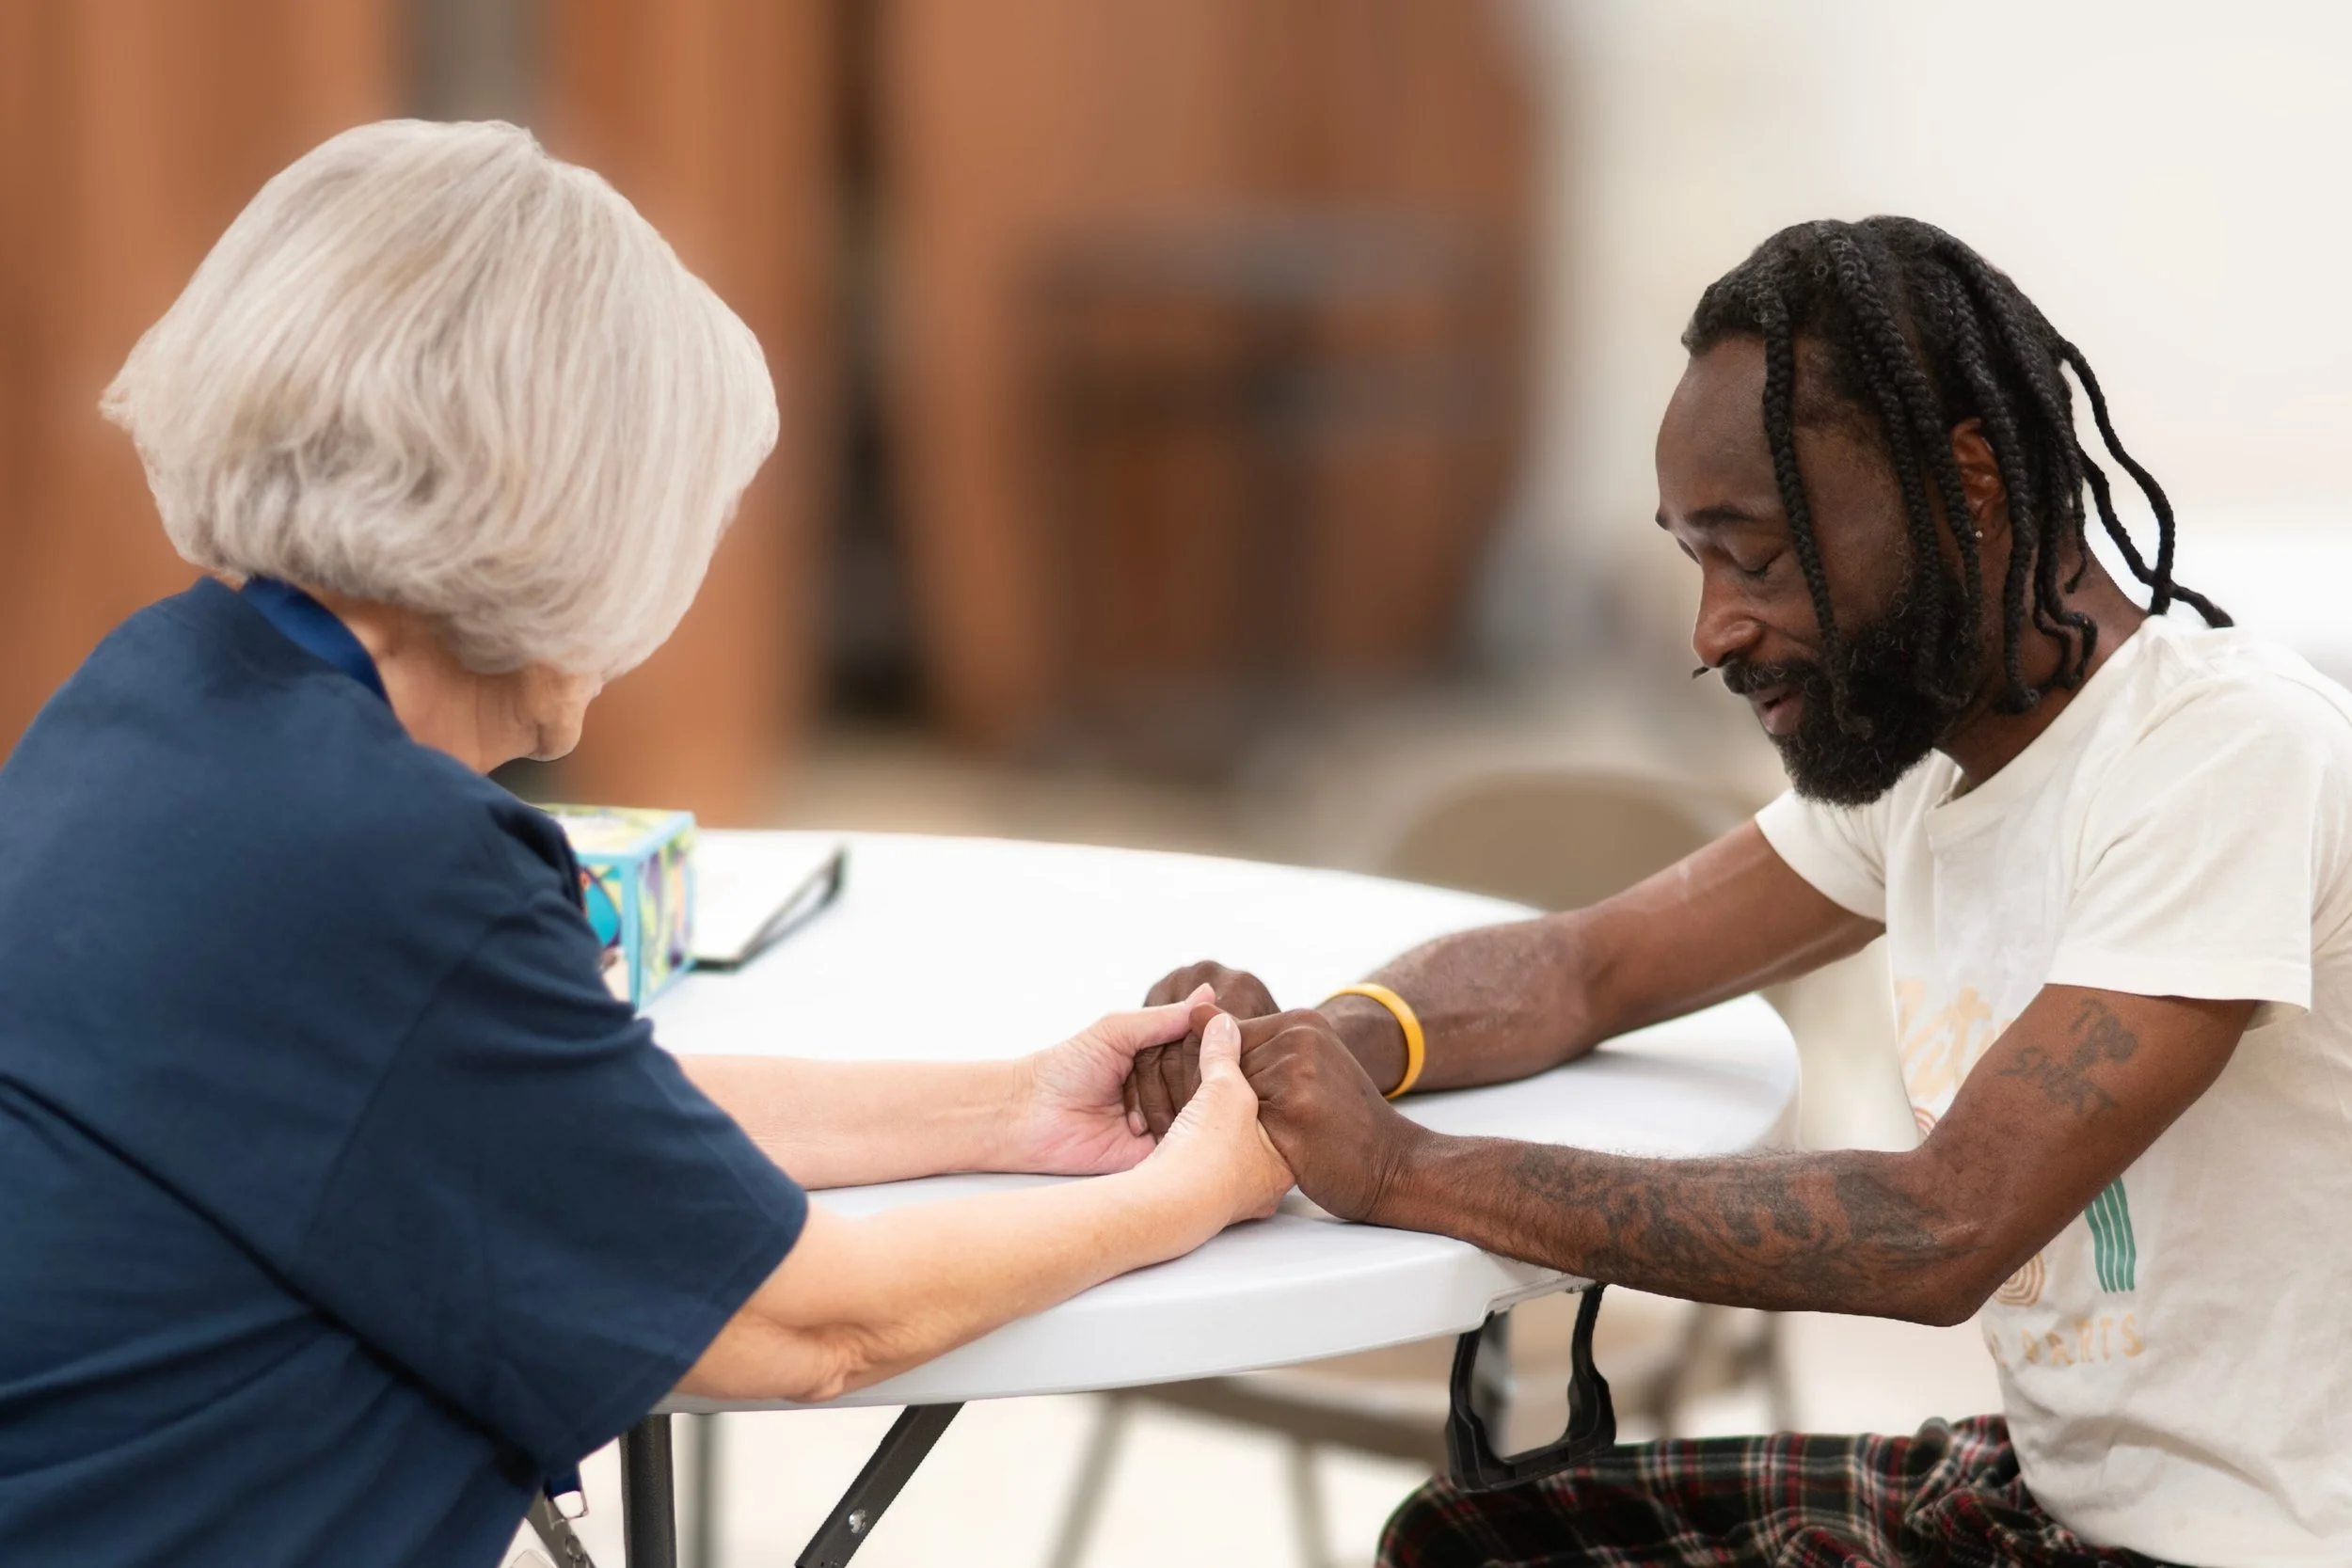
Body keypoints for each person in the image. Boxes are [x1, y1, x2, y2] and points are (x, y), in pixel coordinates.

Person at [0, 119, 1291, 1568]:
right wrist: (1189, 1196)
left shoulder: (152, 702)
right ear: (556, 504)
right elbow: (815, 1324)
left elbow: (531, 1112)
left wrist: (1007, 1109)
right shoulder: (393, 855)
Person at [1128, 217, 2352, 1567]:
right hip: (2047, 1492)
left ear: (1969, 482)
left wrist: (1408, 1168)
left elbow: (1934, 1226)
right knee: (1469, 1536)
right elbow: (1587, 967)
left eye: (1755, 557)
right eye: (1694, 561)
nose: (1711, 631)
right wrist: (1317, 1045)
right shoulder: (1935, 756)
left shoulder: (2225, 758)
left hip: (2234, 1546)